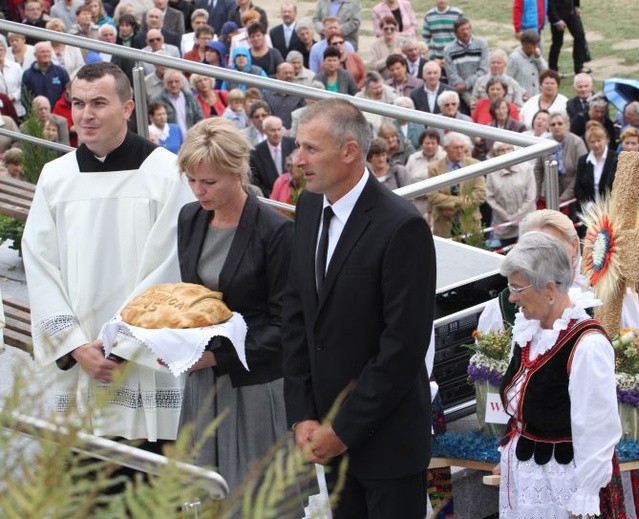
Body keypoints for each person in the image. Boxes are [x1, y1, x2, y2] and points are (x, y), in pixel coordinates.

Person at [21, 61, 193, 460]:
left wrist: (122, 343)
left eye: (99, 102)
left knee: (146, 491)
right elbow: (40, 265)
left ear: (129, 108)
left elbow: (171, 265)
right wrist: (75, 345)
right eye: (78, 103)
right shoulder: (55, 176)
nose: (86, 114)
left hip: (142, 360)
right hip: (81, 359)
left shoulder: (166, 174)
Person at [282, 99, 436, 518]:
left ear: (350, 151)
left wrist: (343, 430)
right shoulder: (310, 206)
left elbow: (402, 347)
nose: (298, 160)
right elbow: (298, 316)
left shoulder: (402, 227)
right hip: (327, 443)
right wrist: (302, 416)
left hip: (387, 445)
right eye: (299, 147)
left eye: (311, 149)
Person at [176, 117, 292, 507]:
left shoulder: (274, 231)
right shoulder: (190, 218)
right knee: (205, 502)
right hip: (203, 380)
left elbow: (285, 325)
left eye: (209, 182)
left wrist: (215, 356)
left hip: (255, 385)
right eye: (192, 181)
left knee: (258, 505)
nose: (198, 191)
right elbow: (193, 299)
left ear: (238, 172)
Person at [496, 231, 622, 518]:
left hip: (562, 483)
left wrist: (585, 498)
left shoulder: (587, 345)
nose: (512, 298)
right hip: (528, 476)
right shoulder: (529, 330)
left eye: (517, 288)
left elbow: (597, 429)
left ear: (550, 289)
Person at [427, 131, 485, 238]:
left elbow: (480, 194)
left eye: (462, 147)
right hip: (443, 225)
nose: (459, 151)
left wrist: (457, 208)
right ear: (446, 149)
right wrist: (459, 201)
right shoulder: (434, 168)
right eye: (456, 148)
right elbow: (432, 196)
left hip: (470, 224)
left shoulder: (475, 165)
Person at [485, 141, 536, 246]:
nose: (506, 152)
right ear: (496, 153)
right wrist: (506, 216)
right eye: (501, 150)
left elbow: (531, 196)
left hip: (527, 221)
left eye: (509, 149)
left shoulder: (526, 168)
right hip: (504, 224)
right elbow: (490, 197)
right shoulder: (492, 172)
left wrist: (518, 216)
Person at [533, 111, 586, 201]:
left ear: (567, 125)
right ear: (549, 128)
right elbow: (538, 169)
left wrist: (565, 196)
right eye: (553, 124)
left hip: (572, 195)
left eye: (560, 123)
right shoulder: (544, 143)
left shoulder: (577, 142)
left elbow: (582, 171)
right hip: (549, 193)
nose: (556, 126)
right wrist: (536, 193)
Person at [574, 120, 618, 218]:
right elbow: (578, 188)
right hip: (591, 213)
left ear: (606, 140)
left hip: (612, 212)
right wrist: (589, 205)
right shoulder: (583, 160)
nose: (596, 145)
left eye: (599, 140)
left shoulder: (616, 158)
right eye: (592, 142)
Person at [443, 17, 489, 109]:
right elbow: (452, 75)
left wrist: (466, 85)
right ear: (455, 33)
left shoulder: (482, 44)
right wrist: (468, 98)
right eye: (462, 30)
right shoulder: (448, 50)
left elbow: (483, 70)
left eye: (468, 29)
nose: (466, 32)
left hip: (481, 91)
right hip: (459, 95)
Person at [249, 115, 296, 197]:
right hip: (269, 199)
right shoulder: (256, 152)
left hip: (294, 196)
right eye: (273, 130)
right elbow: (255, 181)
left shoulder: (293, 145)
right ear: (265, 131)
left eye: (279, 129)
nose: (277, 133)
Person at [405, 128, 446, 218]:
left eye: (433, 143)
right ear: (421, 144)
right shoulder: (413, 158)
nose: (430, 146)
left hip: (438, 206)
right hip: (417, 204)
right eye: (427, 143)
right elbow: (406, 180)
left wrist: (428, 194)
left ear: (438, 144)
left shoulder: (444, 158)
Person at [152, 69, 204, 135]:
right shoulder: (158, 100)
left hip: (191, 137)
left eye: (176, 81)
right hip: (170, 139)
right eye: (170, 82)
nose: (174, 85)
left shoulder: (189, 97)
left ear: (182, 83)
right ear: (165, 84)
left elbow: (200, 118)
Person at [22, 41, 71, 109]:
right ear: (35, 55)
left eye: (48, 51)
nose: (46, 54)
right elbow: (25, 97)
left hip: (58, 114)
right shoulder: (28, 74)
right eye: (42, 52)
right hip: (37, 115)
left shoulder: (61, 72)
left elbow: (68, 92)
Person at [547, 0, 591, 74]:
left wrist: (576, 5)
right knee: (557, 43)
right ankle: (553, 70)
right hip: (558, 13)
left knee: (580, 35)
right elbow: (549, 3)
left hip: (571, 11)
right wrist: (556, 20)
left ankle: (579, 67)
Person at [507, 29, 547, 101]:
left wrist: (538, 59)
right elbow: (508, 79)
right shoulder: (514, 58)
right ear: (524, 44)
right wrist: (523, 92)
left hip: (536, 97)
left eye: (536, 44)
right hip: (521, 99)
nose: (534, 48)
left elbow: (545, 73)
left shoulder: (536, 54)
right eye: (532, 45)